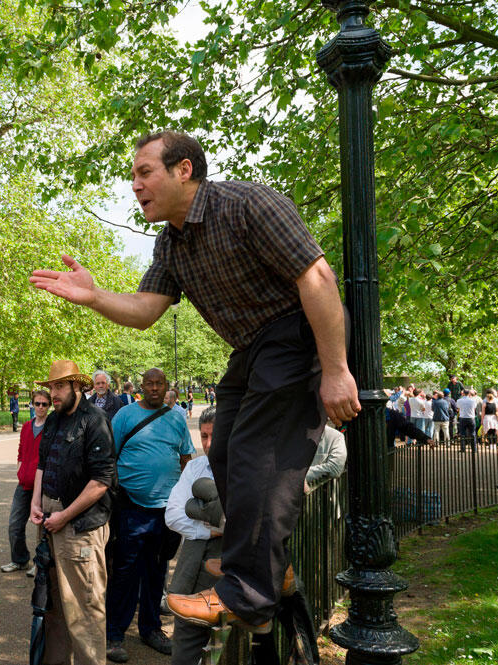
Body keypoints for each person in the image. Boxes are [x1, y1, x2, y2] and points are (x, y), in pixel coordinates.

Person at [30, 130, 360, 632]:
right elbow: (145, 312)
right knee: (223, 452)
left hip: (299, 332)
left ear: (184, 170)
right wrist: (94, 296)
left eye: (145, 173)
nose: (135, 185)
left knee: (257, 456)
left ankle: (249, 597)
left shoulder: (247, 204)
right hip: (251, 349)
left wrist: (335, 369)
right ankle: (273, 569)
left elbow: (317, 278)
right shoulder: (171, 242)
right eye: (133, 176)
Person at [29, 360, 115, 665]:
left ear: (78, 386)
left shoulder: (95, 420)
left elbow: (101, 481)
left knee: (84, 609)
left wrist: (64, 517)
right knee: (52, 606)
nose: (53, 392)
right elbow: (42, 464)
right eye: (51, 387)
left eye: (60, 386)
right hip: (49, 519)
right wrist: (35, 502)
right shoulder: (53, 420)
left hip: (79, 524)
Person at [106, 368, 194, 661]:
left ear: (167, 387)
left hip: (165, 511)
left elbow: (185, 459)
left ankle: (150, 629)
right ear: (141, 387)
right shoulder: (125, 416)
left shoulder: (176, 420)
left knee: (157, 571)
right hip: (131, 507)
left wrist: (181, 499)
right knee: (125, 572)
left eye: (160, 384)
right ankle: (114, 634)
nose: (155, 388)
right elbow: (110, 457)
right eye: (150, 384)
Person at [164, 406, 221, 665]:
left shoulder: (247, 468)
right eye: (204, 436)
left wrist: (204, 513)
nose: (208, 443)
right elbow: (173, 515)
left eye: (214, 436)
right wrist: (211, 530)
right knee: (186, 641)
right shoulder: (195, 468)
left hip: (234, 572)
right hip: (193, 568)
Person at [0, 389, 50, 574]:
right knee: (15, 524)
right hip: (24, 483)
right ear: (32, 404)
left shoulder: (52, 427)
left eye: (44, 404)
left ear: (49, 406)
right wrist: (20, 468)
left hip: (44, 486)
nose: (40, 407)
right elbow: (21, 450)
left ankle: (40, 563)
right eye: (37, 403)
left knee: (43, 528)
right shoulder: (27, 426)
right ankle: (20, 560)